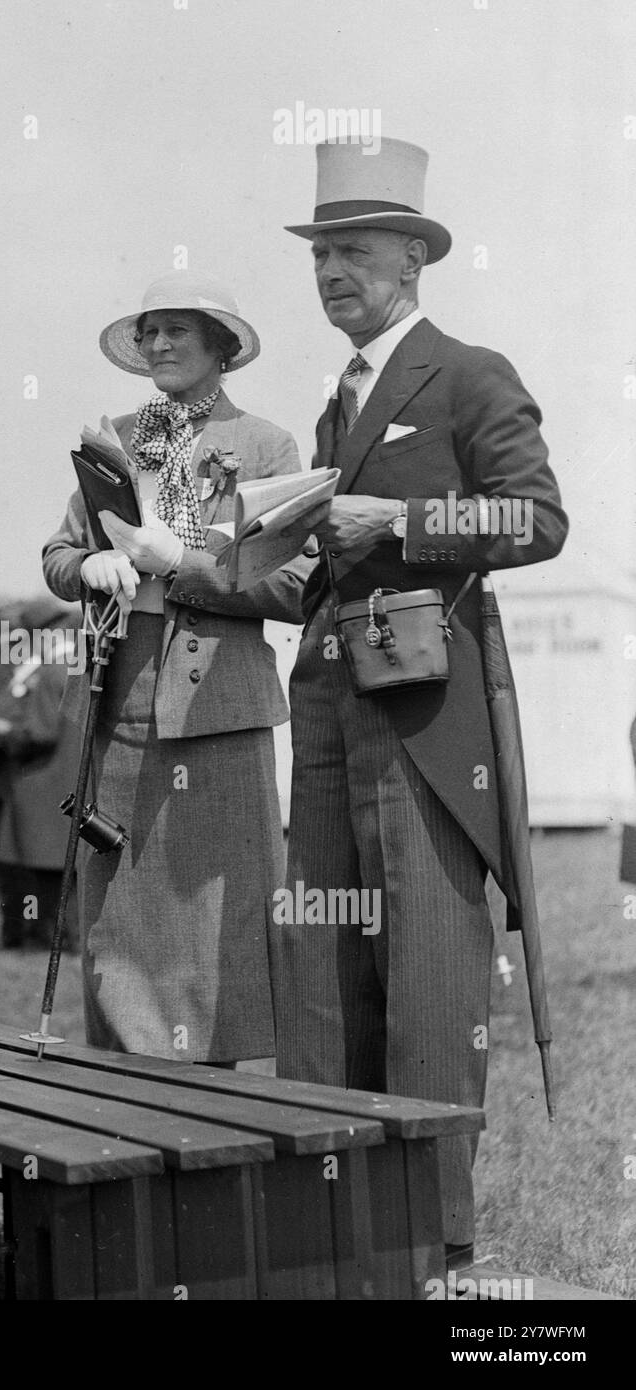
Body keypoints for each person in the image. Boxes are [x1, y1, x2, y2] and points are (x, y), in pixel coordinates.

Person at [272, 139, 568, 1269]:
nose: (332, 271)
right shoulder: (338, 401)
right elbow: (324, 568)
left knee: (432, 992)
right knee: (324, 983)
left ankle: (431, 1257)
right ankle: (334, 1245)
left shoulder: (466, 370)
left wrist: (397, 526)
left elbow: (537, 521)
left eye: (353, 250)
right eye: (320, 254)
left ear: (413, 259)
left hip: (430, 726)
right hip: (331, 708)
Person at [43, 270, 310, 1066]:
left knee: (217, 922)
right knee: (120, 920)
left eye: (177, 332)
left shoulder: (265, 444)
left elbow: (295, 583)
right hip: (121, 707)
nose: (157, 345)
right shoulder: (114, 440)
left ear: (221, 349)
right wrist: (87, 563)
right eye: (148, 332)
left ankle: (220, 1108)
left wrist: (182, 563)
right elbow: (56, 556)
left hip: (220, 714)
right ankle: (128, 1097)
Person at [0, 598, 83, 950]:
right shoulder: (77, 665)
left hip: (40, 781)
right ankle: (61, 940)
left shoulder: (52, 672)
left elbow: (40, 733)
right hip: (68, 782)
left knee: (43, 876)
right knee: (63, 876)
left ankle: (48, 941)